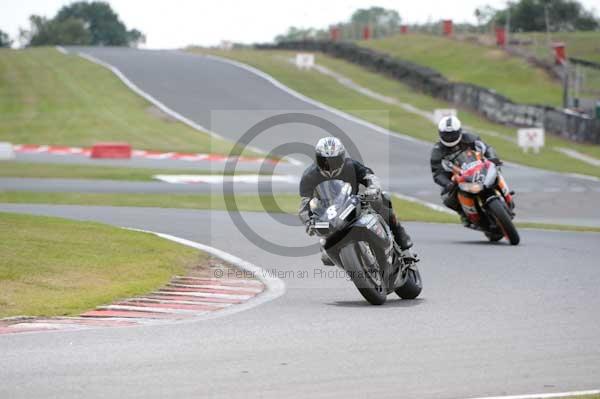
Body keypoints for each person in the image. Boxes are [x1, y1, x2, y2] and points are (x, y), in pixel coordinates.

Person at [298, 137, 415, 264]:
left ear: (342, 158)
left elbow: (369, 176)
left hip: (353, 204)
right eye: (324, 161)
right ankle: (356, 267)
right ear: (317, 159)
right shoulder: (309, 176)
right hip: (329, 217)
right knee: (326, 257)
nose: (329, 166)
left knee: (384, 198)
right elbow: (304, 204)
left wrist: (373, 188)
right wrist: (308, 222)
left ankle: (402, 242)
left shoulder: (351, 165)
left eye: (334, 160)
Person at [430, 115, 508, 225]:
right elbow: (437, 173)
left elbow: (486, 148)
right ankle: (464, 214)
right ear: (440, 134)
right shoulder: (437, 150)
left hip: (478, 168)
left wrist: (492, 158)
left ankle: (505, 194)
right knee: (447, 198)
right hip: (456, 177)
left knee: (495, 171)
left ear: (459, 131)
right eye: (446, 135)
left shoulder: (470, 138)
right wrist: (448, 184)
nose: (450, 137)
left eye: (452, 134)